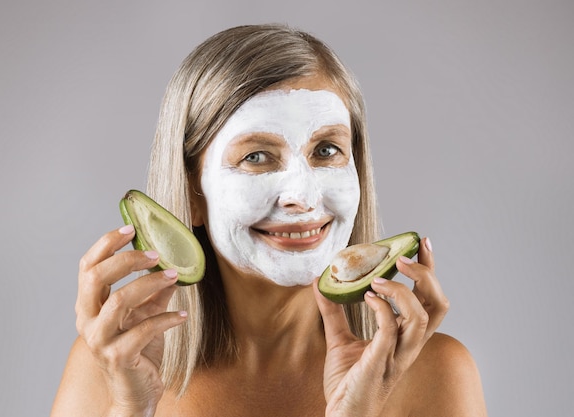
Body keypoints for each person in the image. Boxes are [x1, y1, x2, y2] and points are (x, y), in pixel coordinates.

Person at [51, 24, 487, 417]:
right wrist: (129, 408)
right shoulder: (111, 368)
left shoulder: (435, 373)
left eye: (326, 150)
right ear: (191, 195)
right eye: (256, 157)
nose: (301, 197)